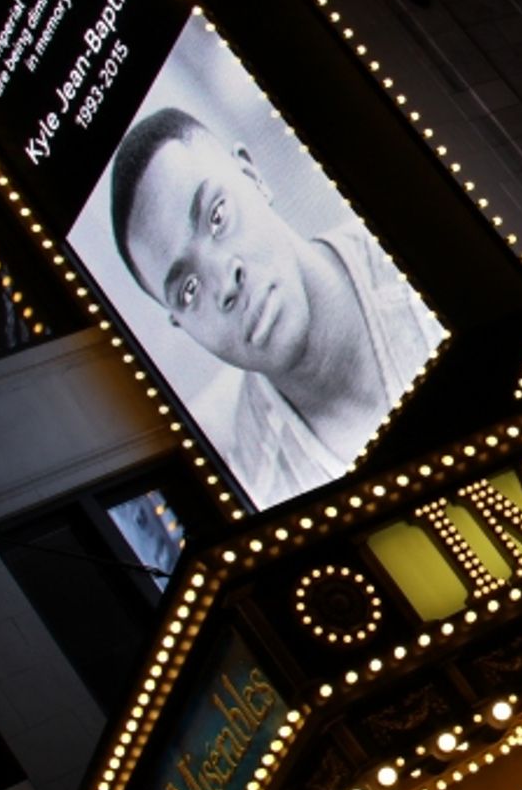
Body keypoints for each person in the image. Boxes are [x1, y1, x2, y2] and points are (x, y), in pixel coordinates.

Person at [109, 107, 443, 508]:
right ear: (181, 325)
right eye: (189, 288)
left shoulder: (423, 257)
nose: (225, 283)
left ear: (252, 177)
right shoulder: (259, 490)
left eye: (216, 216)